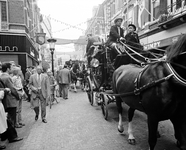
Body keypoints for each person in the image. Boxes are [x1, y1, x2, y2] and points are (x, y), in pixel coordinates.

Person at [0, 78, 23, 147]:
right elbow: (11, 89)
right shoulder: (7, 78)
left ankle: (10, 136)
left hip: (4, 103)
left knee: (6, 121)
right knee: (9, 120)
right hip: (7, 102)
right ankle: (11, 137)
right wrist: (5, 91)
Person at [0, 62, 19, 128]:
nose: (12, 69)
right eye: (11, 68)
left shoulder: (2, 76)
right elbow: (13, 89)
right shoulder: (7, 77)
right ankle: (12, 136)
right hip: (10, 100)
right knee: (12, 118)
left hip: (5, 101)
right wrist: (18, 96)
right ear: (8, 69)